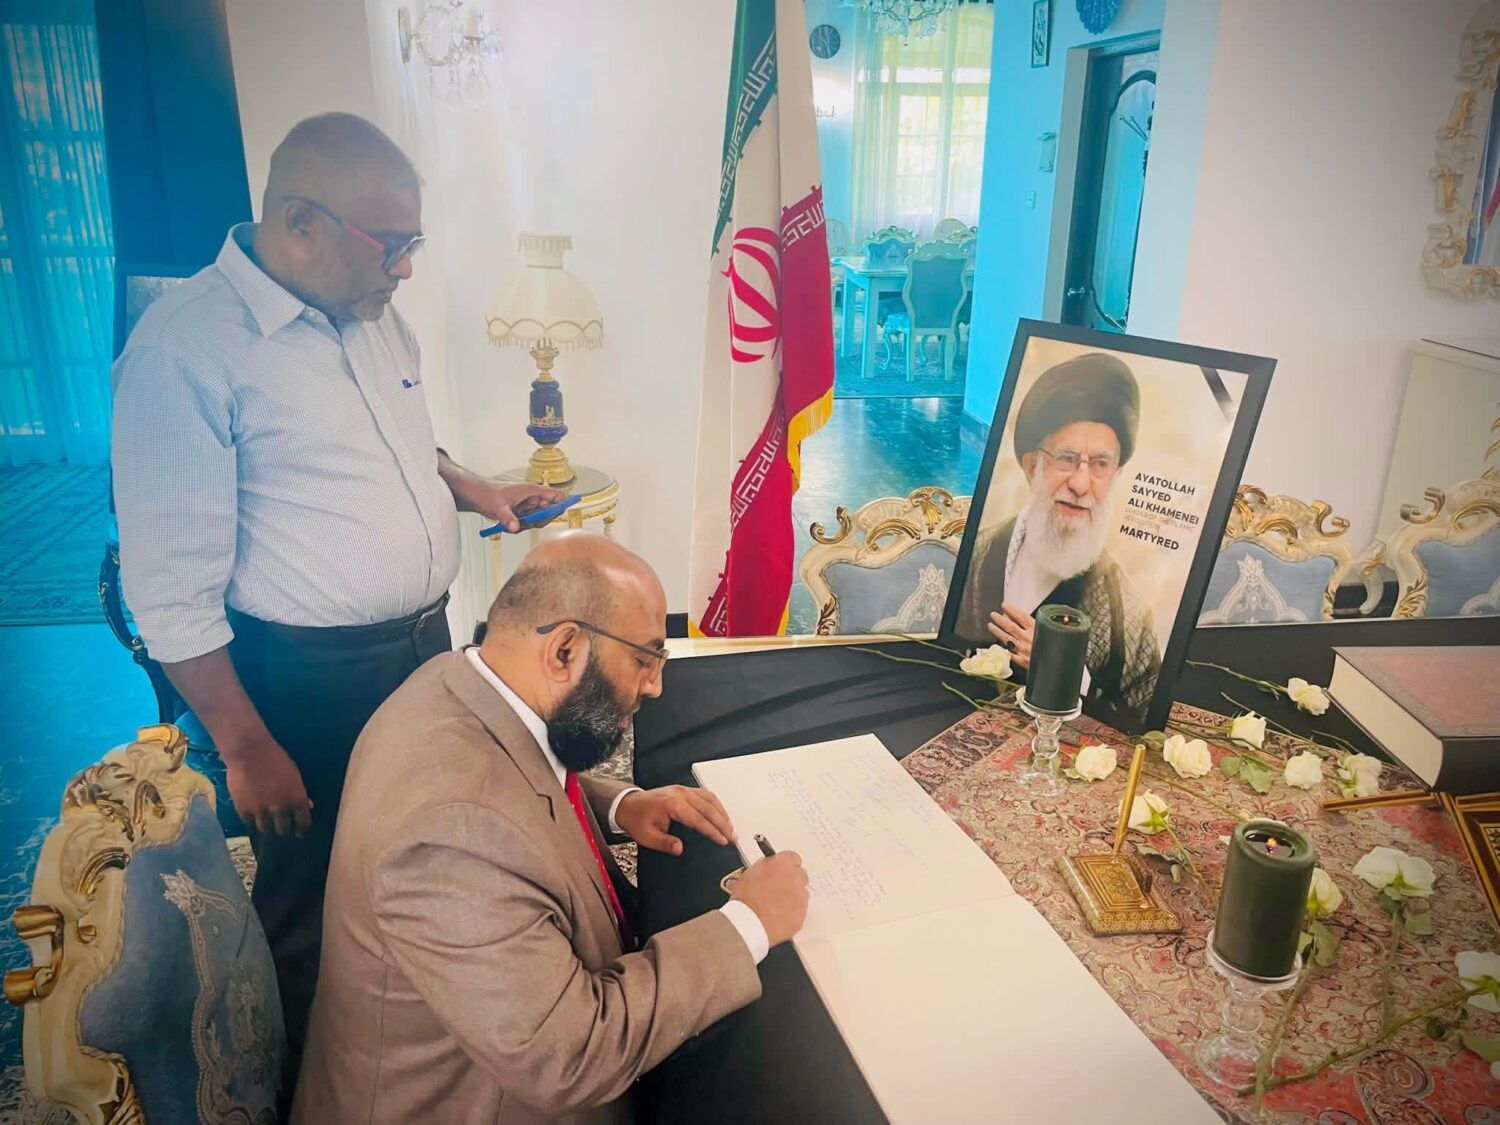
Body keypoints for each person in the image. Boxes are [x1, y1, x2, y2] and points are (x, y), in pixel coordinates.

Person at [109, 112, 563, 1069]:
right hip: (307, 681)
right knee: (317, 888)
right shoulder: (185, 349)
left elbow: (397, 445)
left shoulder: (371, 316)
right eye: (391, 244)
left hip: (421, 644)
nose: (407, 268)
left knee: (423, 839)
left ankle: (415, 1039)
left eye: (413, 242)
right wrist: (247, 748)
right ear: (301, 223)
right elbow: (170, 592)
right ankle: (310, 1079)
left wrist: (473, 486)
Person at [293, 534, 810, 1123]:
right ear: (564, 649)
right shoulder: (451, 838)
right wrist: (749, 924)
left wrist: (621, 805)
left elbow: (515, 767)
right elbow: (572, 1057)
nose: (655, 686)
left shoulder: (451, 681)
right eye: (644, 660)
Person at [954, 352, 1161, 719]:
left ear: (1115, 476)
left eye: (1100, 464)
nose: (1081, 484)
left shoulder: (1128, 612)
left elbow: (1141, 721)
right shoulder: (977, 553)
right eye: (1066, 458)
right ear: (1032, 466)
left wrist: (1066, 672)